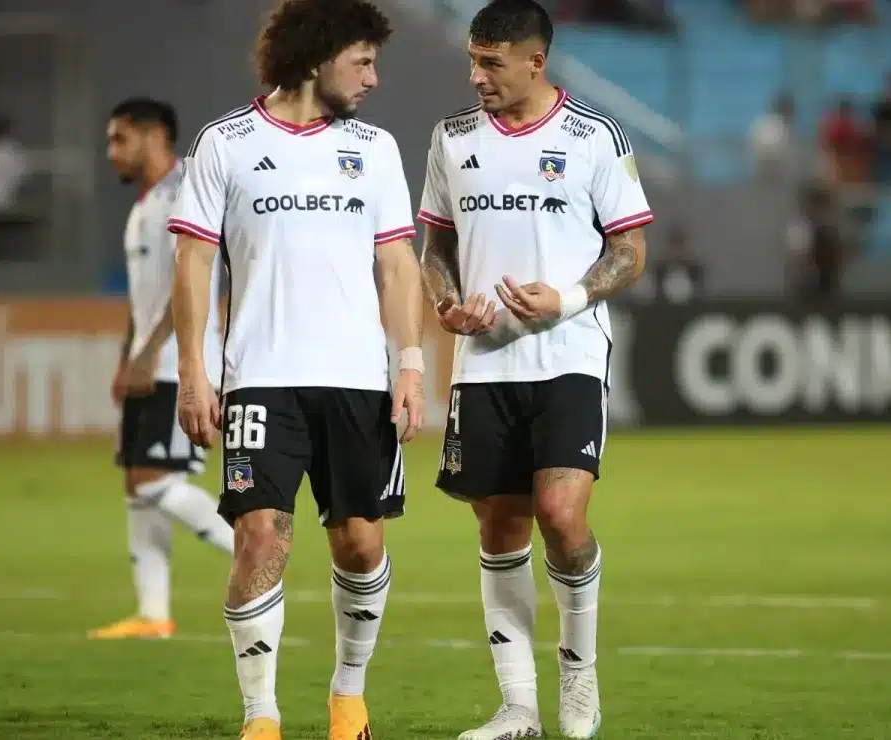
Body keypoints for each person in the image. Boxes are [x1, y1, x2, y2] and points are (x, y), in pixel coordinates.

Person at [167, 1, 426, 737]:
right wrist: (193, 371)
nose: (374, 78)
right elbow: (193, 262)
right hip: (261, 377)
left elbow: (396, 263)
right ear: (318, 57)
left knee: (361, 544)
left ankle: (348, 696)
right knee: (259, 538)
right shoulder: (226, 142)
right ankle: (261, 717)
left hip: (358, 382)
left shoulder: (375, 149)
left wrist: (409, 365)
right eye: (363, 61)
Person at [417, 1, 653, 738]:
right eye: (473, 60)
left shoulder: (594, 136)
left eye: (491, 62)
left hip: (568, 355)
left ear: (535, 61)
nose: (476, 75)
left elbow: (630, 251)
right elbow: (436, 247)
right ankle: (518, 708)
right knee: (499, 526)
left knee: (561, 515)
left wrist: (569, 297)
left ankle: (579, 676)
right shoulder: (452, 138)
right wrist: (446, 304)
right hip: (484, 364)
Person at [89, 97, 234, 641]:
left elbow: (189, 284)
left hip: (179, 365)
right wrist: (128, 356)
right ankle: (153, 615)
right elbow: (143, 301)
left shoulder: (185, 193)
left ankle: (253, 546)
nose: (111, 152)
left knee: (153, 479)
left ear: (154, 136)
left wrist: (150, 354)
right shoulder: (143, 208)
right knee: (137, 483)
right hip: (151, 362)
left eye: (119, 139)